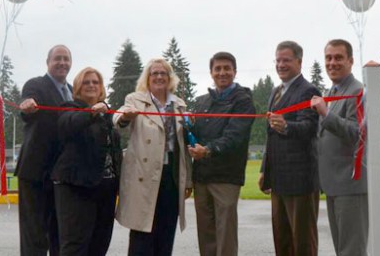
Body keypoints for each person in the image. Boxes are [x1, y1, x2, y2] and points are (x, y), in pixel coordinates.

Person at [113, 58, 193, 256]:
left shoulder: (179, 105)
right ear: (147, 78)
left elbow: (183, 146)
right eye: (154, 73)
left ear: (170, 77)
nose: (159, 77)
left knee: (165, 237)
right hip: (144, 178)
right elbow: (118, 117)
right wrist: (124, 117)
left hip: (171, 177)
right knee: (142, 239)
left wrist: (188, 180)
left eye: (163, 73)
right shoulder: (135, 100)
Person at [188, 52, 255, 256]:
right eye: (218, 69)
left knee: (225, 235)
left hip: (226, 178)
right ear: (211, 72)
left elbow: (234, 137)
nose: (222, 72)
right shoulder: (201, 102)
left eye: (227, 68)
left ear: (235, 71)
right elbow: (194, 135)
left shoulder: (243, 101)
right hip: (202, 177)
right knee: (206, 236)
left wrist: (207, 150)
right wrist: (188, 125)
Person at [258, 41, 321, 256]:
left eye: (286, 60)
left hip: (301, 181)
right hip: (278, 180)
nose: (281, 64)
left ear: (299, 62)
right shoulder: (276, 92)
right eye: (278, 60)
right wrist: (264, 170)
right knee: (282, 241)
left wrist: (286, 127)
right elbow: (270, 136)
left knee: (303, 242)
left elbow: (310, 127)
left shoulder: (308, 90)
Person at [52, 67, 122, 256]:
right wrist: (91, 112)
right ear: (77, 88)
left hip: (106, 189)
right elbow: (68, 124)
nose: (91, 85)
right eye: (86, 82)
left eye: (95, 82)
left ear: (101, 88)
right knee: (75, 246)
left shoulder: (107, 114)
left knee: (99, 245)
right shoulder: (69, 107)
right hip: (76, 188)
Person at [310, 39, 368, 256]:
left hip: (350, 184)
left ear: (351, 61)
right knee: (342, 248)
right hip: (334, 183)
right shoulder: (332, 91)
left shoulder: (357, 91)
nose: (332, 63)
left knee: (352, 250)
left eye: (338, 58)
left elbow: (357, 133)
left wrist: (326, 113)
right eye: (328, 58)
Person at [15, 44, 72, 256]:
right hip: (35, 173)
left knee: (59, 234)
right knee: (34, 236)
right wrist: (27, 105)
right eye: (57, 58)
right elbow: (27, 104)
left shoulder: (73, 92)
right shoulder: (36, 85)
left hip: (62, 176)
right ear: (47, 62)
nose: (62, 63)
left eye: (66, 59)